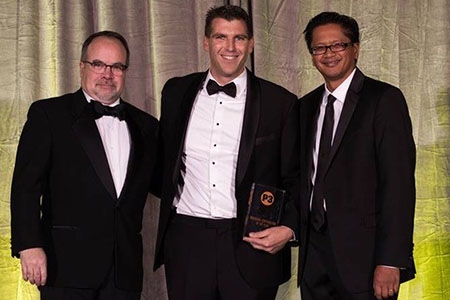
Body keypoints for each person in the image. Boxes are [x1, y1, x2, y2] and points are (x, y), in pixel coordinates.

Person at [153, 5, 300, 300]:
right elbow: (163, 160)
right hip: (187, 241)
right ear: (206, 42)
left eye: (239, 38)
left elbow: (296, 175)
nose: (230, 47)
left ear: (251, 44)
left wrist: (290, 228)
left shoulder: (280, 102)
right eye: (221, 37)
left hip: (250, 244)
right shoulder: (175, 92)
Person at [10, 30, 158, 300]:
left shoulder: (147, 126)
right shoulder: (49, 115)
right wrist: (29, 245)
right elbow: (26, 186)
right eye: (98, 64)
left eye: (116, 66)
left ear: (126, 71)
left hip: (123, 272)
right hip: (66, 267)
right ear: (82, 67)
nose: (107, 74)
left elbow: (167, 185)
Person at [298, 11, 416, 300]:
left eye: (338, 45)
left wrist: (390, 260)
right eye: (320, 48)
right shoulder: (304, 107)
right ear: (312, 56)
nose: (329, 54)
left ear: (356, 49)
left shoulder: (384, 100)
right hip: (314, 255)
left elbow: (398, 185)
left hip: (366, 257)